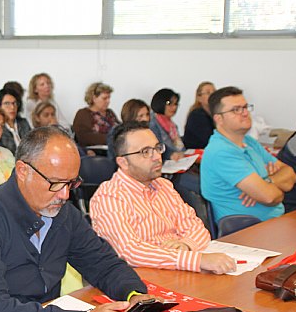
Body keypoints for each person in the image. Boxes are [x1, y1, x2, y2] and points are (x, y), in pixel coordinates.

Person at [0, 126, 152, 312]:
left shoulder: (63, 213)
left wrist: (133, 293)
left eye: (71, 183)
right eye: (55, 183)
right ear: (22, 171)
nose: (65, 195)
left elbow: (103, 264)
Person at [91, 122, 236, 274]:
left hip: (178, 270)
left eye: (157, 148)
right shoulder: (109, 197)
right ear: (123, 162)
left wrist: (186, 245)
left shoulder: (164, 185)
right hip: (143, 278)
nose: (156, 157)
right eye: (145, 152)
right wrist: (194, 259)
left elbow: (197, 228)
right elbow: (130, 251)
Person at [201, 87, 296, 223]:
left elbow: (290, 174)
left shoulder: (249, 142)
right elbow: (270, 198)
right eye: (236, 110)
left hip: (275, 222)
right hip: (246, 229)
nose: (245, 113)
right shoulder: (221, 152)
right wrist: (274, 187)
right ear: (219, 119)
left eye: (245, 107)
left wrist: (268, 182)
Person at [72, 82, 119, 147]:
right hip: (96, 150)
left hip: (115, 147)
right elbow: (84, 137)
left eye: (109, 98)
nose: (108, 101)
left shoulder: (110, 113)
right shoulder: (83, 114)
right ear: (94, 98)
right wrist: (112, 139)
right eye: (104, 98)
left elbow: (120, 128)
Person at [149, 88, 185, 161]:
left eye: (176, 104)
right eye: (169, 103)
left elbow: (180, 147)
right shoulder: (152, 123)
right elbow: (156, 146)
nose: (174, 107)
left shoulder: (172, 124)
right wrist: (171, 154)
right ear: (160, 102)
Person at [0, 88, 31, 155]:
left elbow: (33, 145)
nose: (12, 107)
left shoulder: (23, 123)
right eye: (7, 103)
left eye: (14, 103)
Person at [183, 82, 216, 149]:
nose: (212, 95)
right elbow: (210, 140)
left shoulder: (215, 113)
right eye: (208, 92)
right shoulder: (197, 115)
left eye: (214, 92)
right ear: (199, 98)